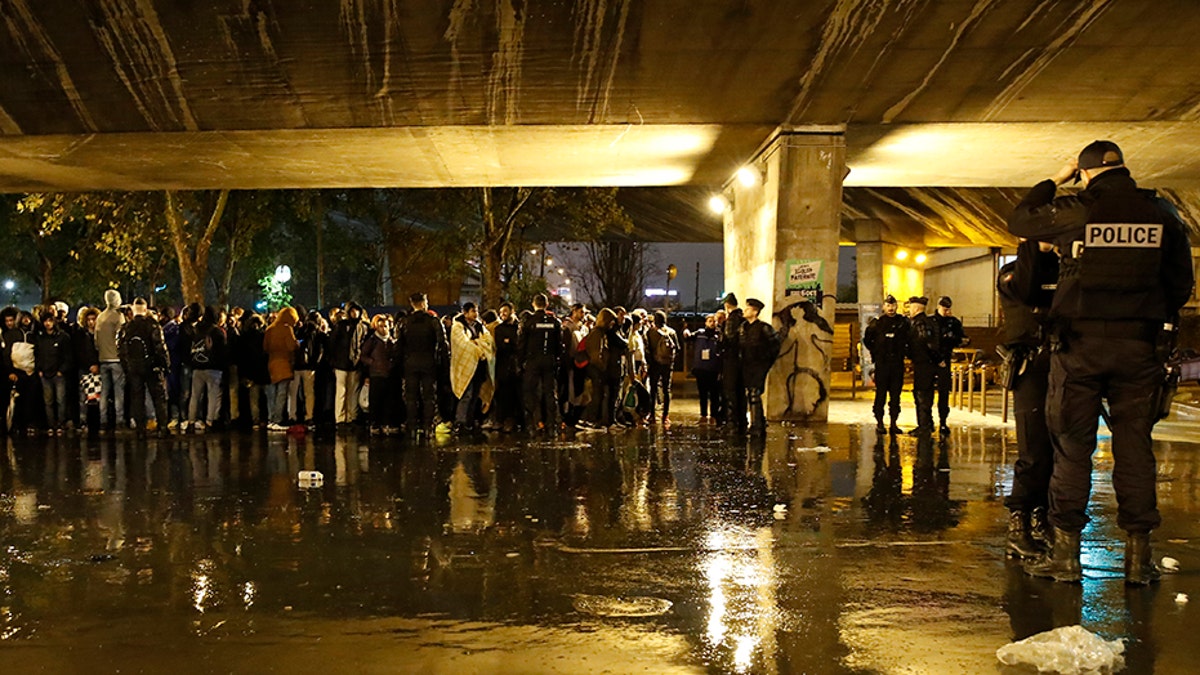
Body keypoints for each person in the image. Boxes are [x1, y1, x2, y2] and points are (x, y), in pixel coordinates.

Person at [1009, 140, 1195, 585]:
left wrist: (1057, 178)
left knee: (1072, 448)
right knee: (1136, 451)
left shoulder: (1077, 210)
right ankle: (1138, 561)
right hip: (1139, 349)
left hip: (1081, 348)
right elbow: (1181, 284)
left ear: (1087, 173)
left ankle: (1066, 556)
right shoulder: (1162, 215)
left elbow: (1020, 220)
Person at [998, 240, 1060, 560]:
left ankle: (1042, 519)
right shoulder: (1011, 274)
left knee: (1059, 451)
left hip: (1065, 366)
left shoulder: (1065, 270)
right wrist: (1032, 249)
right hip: (1031, 367)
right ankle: (1019, 524)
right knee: (1033, 450)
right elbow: (1026, 288)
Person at [118, 298, 169, 438]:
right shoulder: (153, 325)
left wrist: (127, 367)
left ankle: (140, 430)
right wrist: (164, 365)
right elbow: (160, 347)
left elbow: (121, 350)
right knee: (158, 397)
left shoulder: (126, 327)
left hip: (134, 367)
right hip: (151, 366)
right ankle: (162, 428)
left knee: (137, 397)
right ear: (145, 309)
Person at [398, 293, 446, 436]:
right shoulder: (433, 321)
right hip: (428, 362)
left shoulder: (405, 321)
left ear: (412, 303)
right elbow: (442, 343)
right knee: (429, 396)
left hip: (410, 363)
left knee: (411, 397)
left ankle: (412, 427)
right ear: (424, 302)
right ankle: (428, 427)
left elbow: (398, 345)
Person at [862, 295, 909, 435]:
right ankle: (880, 422)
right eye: (888, 305)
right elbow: (867, 340)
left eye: (893, 305)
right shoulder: (877, 323)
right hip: (882, 364)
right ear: (883, 306)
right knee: (880, 395)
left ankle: (893, 423)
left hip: (897, 364)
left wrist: (904, 352)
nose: (891, 308)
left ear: (896, 306)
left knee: (896, 396)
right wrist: (876, 352)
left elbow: (909, 338)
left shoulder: (903, 322)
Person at [518, 293, 563, 433]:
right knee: (549, 392)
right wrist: (556, 359)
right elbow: (559, 345)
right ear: (547, 304)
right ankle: (552, 423)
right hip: (549, 360)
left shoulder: (529, 322)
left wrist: (520, 362)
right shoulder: (554, 322)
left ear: (533, 304)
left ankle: (534, 422)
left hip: (533, 360)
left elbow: (522, 344)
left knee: (530, 391)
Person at [450, 302, 493, 434]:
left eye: (476, 311)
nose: (476, 314)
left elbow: (488, 341)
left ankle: (469, 421)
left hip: (479, 366)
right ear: (465, 312)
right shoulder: (458, 326)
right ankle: (460, 422)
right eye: (473, 311)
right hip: (465, 366)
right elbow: (462, 344)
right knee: (466, 394)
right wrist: (478, 349)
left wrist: (476, 343)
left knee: (475, 395)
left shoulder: (479, 326)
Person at [186, 306, 227, 433]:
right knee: (212, 395)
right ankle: (209, 421)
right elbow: (223, 351)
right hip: (213, 368)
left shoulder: (196, 329)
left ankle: (191, 422)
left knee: (195, 396)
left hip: (197, 367)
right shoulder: (218, 332)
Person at [932, 296, 968, 436]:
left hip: (945, 360)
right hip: (931, 361)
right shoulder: (931, 322)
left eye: (948, 309)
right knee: (926, 394)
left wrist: (956, 340)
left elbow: (962, 339)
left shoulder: (953, 323)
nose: (947, 312)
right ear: (939, 306)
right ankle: (927, 422)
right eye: (944, 309)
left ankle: (942, 421)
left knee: (943, 393)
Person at [905, 296, 939, 436]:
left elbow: (925, 344)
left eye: (911, 308)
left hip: (923, 363)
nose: (909, 311)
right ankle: (928, 423)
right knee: (926, 394)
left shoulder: (920, 324)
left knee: (922, 395)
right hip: (926, 363)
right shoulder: (928, 322)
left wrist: (910, 353)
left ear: (917, 308)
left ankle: (923, 426)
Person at [330, 302, 368, 426]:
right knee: (342, 391)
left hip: (355, 364)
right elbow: (333, 344)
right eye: (352, 311)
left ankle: (352, 416)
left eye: (357, 311)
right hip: (341, 363)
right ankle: (340, 418)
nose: (355, 313)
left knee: (353, 391)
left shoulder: (362, 327)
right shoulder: (341, 326)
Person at [35, 311, 73, 434]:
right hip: (45, 373)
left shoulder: (63, 337)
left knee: (60, 400)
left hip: (58, 373)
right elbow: (37, 354)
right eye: (45, 321)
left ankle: (61, 424)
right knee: (48, 401)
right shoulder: (40, 338)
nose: (48, 324)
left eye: (50, 321)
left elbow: (68, 355)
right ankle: (51, 425)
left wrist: (62, 370)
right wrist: (39, 369)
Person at [263, 307, 300, 432]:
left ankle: (271, 418)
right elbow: (291, 346)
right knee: (282, 393)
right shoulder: (286, 329)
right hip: (284, 364)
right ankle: (277, 419)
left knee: (272, 393)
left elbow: (265, 347)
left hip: (272, 363)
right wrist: (296, 344)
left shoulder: (270, 329)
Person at [360, 313, 396, 435]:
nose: (383, 329)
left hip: (388, 374)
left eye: (385, 326)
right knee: (375, 400)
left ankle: (386, 423)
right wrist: (373, 363)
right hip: (376, 374)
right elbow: (363, 355)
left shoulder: (391, 341)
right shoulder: (372, 341)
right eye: (380, 326)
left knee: (388, 400)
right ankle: (374, 423)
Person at [95, 289, 126, 431]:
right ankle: (119, 420)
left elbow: (96, 340)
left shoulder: (100, 317)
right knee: (118, 391)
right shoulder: (117, 317)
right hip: (116, 359)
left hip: (103, 358)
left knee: (104, 391)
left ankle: (103, 419)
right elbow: (121, 338)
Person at [290, 310, 326, 428]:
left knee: (293, 393)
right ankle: (309, 416)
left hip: (296, 366)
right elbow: (320, 350)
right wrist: (314, 364)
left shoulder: (299, 330)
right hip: (309, 367)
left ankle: (292, 416)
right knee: (309, 393)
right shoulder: (319, 333)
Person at [685, 314, 722, 424]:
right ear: (706, 322)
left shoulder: (719, 335)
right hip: (701, 369)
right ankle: (703, 415)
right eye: (710, 321)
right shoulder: (700, 334)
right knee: (703, 393)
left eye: (714, 321)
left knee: (714, 394)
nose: (712, 323)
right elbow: (688, 338)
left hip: (714, 369)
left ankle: (714, 415)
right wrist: (685, 332)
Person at [645, 311, 680, 427]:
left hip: (655, 364)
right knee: (666, 389)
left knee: (653, 389)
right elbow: (677, 348)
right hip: (667, 364)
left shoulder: (650, 332)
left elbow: (648, 348)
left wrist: (652, 360)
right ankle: (665, 416)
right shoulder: (672, 332)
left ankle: (652, 415)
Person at [491, 302, 521, 432]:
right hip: (503, 367)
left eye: (505, 311)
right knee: (502, 394)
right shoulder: (499, 329)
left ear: (512, 311)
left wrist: (510, 342)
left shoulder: (519, 327)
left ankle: (512, 420)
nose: (502, 314)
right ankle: (501, 420)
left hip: (516, 367)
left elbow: (518, 345)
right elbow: (501, 346)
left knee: (515, 394)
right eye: (501, 312)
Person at [721, 293, 747, 433]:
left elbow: (729, 338)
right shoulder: (743, 319)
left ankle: (732, 422)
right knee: (740, 392)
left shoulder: (731, 320)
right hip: (742, 361)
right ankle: (742, 421)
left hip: (731, 361)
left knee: (730, 391)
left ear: (727, 305)